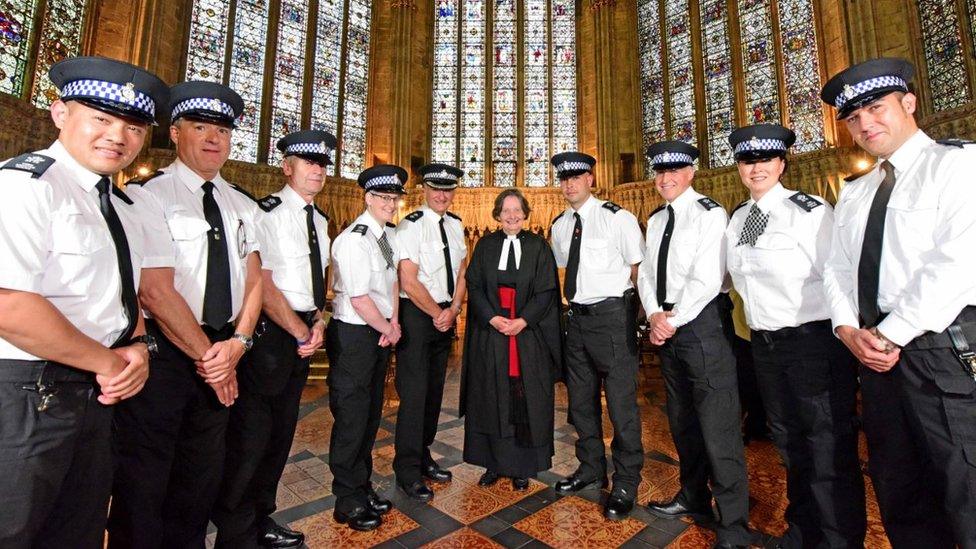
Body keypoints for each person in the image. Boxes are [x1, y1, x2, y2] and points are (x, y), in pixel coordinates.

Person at [0, 55, 167, 548]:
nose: (117, 135)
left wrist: (137, 345)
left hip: (95, 393)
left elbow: (121, 292)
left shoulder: (117, 204)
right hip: (31, 393)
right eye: (100, 117)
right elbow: (9, 304)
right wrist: (112, 362)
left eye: (133, 126)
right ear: (59, 113)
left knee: (78, 528)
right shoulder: (25, 186)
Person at [821, 57, 976, 548]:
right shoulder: (855, 192)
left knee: (965, 488)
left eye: (876, 107)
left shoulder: (957, 165)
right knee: (898, 489)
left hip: (941, 352)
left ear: (908, 103)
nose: (865, 123)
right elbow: (836, 269)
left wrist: (890, 333)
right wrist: (848, 329)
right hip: (873, 355)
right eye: (852, 117)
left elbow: (957, 262)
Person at [108, 80, 264, 548]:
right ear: (175, 133)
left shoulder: (241, 203)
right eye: (200, 126)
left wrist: (237, 343)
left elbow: (255, 280)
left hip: (225, 352)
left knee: (200, 480)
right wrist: (210, 360)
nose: (214, 138)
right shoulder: (147, 196)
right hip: (168, 357)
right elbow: (154, 292)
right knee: (144, 482)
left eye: (222, 129)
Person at [725, 124, 865, 548]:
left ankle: (839, 539)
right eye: (748, 161)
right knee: (788, 443)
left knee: (827, 447)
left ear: (782, 163)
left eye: (765, 160)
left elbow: (838, 277)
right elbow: (738, 278)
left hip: (813, 343)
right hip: (765, 346)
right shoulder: (740, 218)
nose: (756, 168)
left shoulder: (810, 211)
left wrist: (849, 332)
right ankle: (803, 529)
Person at [212, 130, 336, 548]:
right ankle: (235, 531)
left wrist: (318, 321)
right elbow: (260, 282)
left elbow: (316, 281)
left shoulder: (319, 219)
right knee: (251, 436)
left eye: (322, 164)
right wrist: (301, 329)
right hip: (270, 336)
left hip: (303, 330)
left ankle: (261, 518)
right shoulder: (265, 212)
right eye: (309, 163)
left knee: (281, 435)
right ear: (287, 167)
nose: (318, 170)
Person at [637, 141, 752, 549]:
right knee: (682, 421)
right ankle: (694, 496)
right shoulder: (655, 218)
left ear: (690, 173)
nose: (665, 178)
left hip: (701, 326)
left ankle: (734, 524)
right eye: (660, 172)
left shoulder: (710, 213)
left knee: (718, 425)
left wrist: (670, 320)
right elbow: (646, 275)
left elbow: (707, 279)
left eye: (674, 171)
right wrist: (654, 314)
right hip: (666, 325)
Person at [549, 151, 644, 520]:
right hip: (577, 320)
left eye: (577, 176)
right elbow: (563, 272)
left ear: (591, 178)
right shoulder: (560, 225)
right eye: (564, 178)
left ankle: (626, 479)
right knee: (581, 403)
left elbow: (637, 271)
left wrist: (635, 317)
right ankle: (591, 467)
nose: (569, 183)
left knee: (621, 406)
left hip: (611, 318)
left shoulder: (616, 218)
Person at [460, 189, 562, 491]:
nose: (512, 215)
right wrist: (492, 317)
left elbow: (546, 291)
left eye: (517, 210)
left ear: (526, 213)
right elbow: (474, 286)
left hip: (528, 336)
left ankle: (521, 466)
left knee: (523, 396)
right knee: (491, 396)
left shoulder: (539, 247)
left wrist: (523, 320)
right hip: (491, 335)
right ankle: (493, 464)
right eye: (506, 210)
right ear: (497, 214)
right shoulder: (486, 245)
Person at [327, 164, 406, 531]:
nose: (391, 204)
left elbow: (391, 284)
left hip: (377, 332)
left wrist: (393, 323)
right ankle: (347, 499)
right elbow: (358, 299)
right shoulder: (355, 239)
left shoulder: (383, 236)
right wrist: (387, 329)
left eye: (395, 198)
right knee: (351, 418)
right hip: (356, 336)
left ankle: (361, 485)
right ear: (368, 197)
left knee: (371, 415)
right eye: (384, 197)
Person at [393, 163, 468, 501]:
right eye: (436, 188)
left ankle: (422, 456)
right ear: (424, 189)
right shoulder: (410, 226)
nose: (442, 195)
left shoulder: (455, 225)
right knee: (414, 395)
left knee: (434, 393)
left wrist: (453, 309)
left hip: (444, 316)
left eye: (448, 189)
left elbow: (463, 271)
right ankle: (407, 469)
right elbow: (407, 279)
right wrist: (439, 312)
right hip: (418, 316)